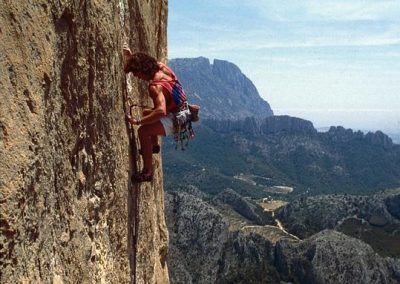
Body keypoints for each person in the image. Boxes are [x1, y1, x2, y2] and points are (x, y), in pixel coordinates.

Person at [123, 48, 187, 182]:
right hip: (183, 112)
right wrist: (131, 57)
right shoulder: (161, 67)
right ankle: (154, 146)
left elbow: (160, 111)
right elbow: (144, 60)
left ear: (143, 69)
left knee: (143, 131)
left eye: (137, 73)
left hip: (176, 119)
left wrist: (137, 121)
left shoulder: (155, 86)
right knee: (147, 113)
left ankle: (147, 172)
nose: (137, 77)